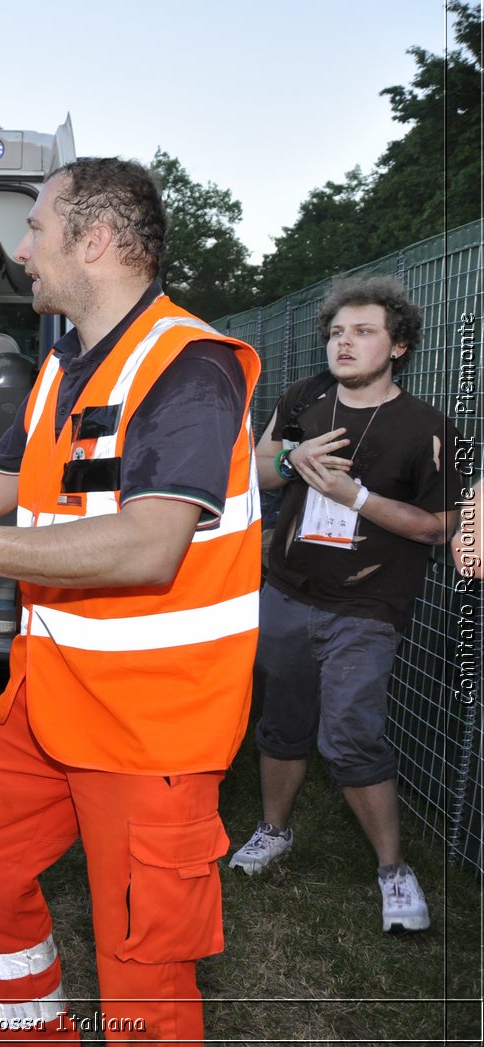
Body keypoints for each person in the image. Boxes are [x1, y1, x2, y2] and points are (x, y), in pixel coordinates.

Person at [0, 158, 260, 1043]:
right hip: (52, 699)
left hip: (152, 726)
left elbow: (150, 547)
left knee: (142, 979)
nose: (23, 247)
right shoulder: (61, 367)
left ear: (99, 240)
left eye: (37, 227)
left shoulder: (189, 365)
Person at [231, 276, 462, 935]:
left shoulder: (428, 429)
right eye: (336, 331)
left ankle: (393, 869)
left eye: (363, 331)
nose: (344, 341)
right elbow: (256, 466)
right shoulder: (305, 397)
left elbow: (439, 525)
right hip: (287, 591)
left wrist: (356, 497)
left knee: (353, 733)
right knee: (281, 721)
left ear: (399, 346)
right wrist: (292, 453)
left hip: (368, 604)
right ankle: (274, 829)